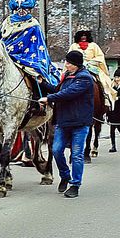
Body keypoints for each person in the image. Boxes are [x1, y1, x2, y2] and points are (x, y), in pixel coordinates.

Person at [0, 0, 59, 144]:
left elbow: (37, 45)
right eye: (18, 8)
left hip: (28, 59)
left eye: (25, 8)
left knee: (36, 76)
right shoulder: (6, 22)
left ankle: (39, 104)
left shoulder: (33, 24)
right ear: (13, 8)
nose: (21, 11)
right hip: (6, 59)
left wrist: (26, 60)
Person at [38, 50, 94, 198]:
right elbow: (58, 90)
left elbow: (69, 93)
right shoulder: (67, 76)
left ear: (75, 64)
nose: (66, 64)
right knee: (56, 150)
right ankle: (65, 175)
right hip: (63, 122)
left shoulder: (85, 78)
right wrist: (42, 83)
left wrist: (49, 98)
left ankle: (75, 185)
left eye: (68, 62)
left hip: (79, 123)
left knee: (76, 155)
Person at [69, 30, 116, 106]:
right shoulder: (73, 46)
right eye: (81, 35)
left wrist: (91, 62)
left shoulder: (94, 45)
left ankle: (106, 97)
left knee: (103, 80)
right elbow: (69, 57)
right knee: (65, 79)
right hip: (76, 66)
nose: (83, 37)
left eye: (85, 35)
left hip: (91, 66)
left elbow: (100, 56)